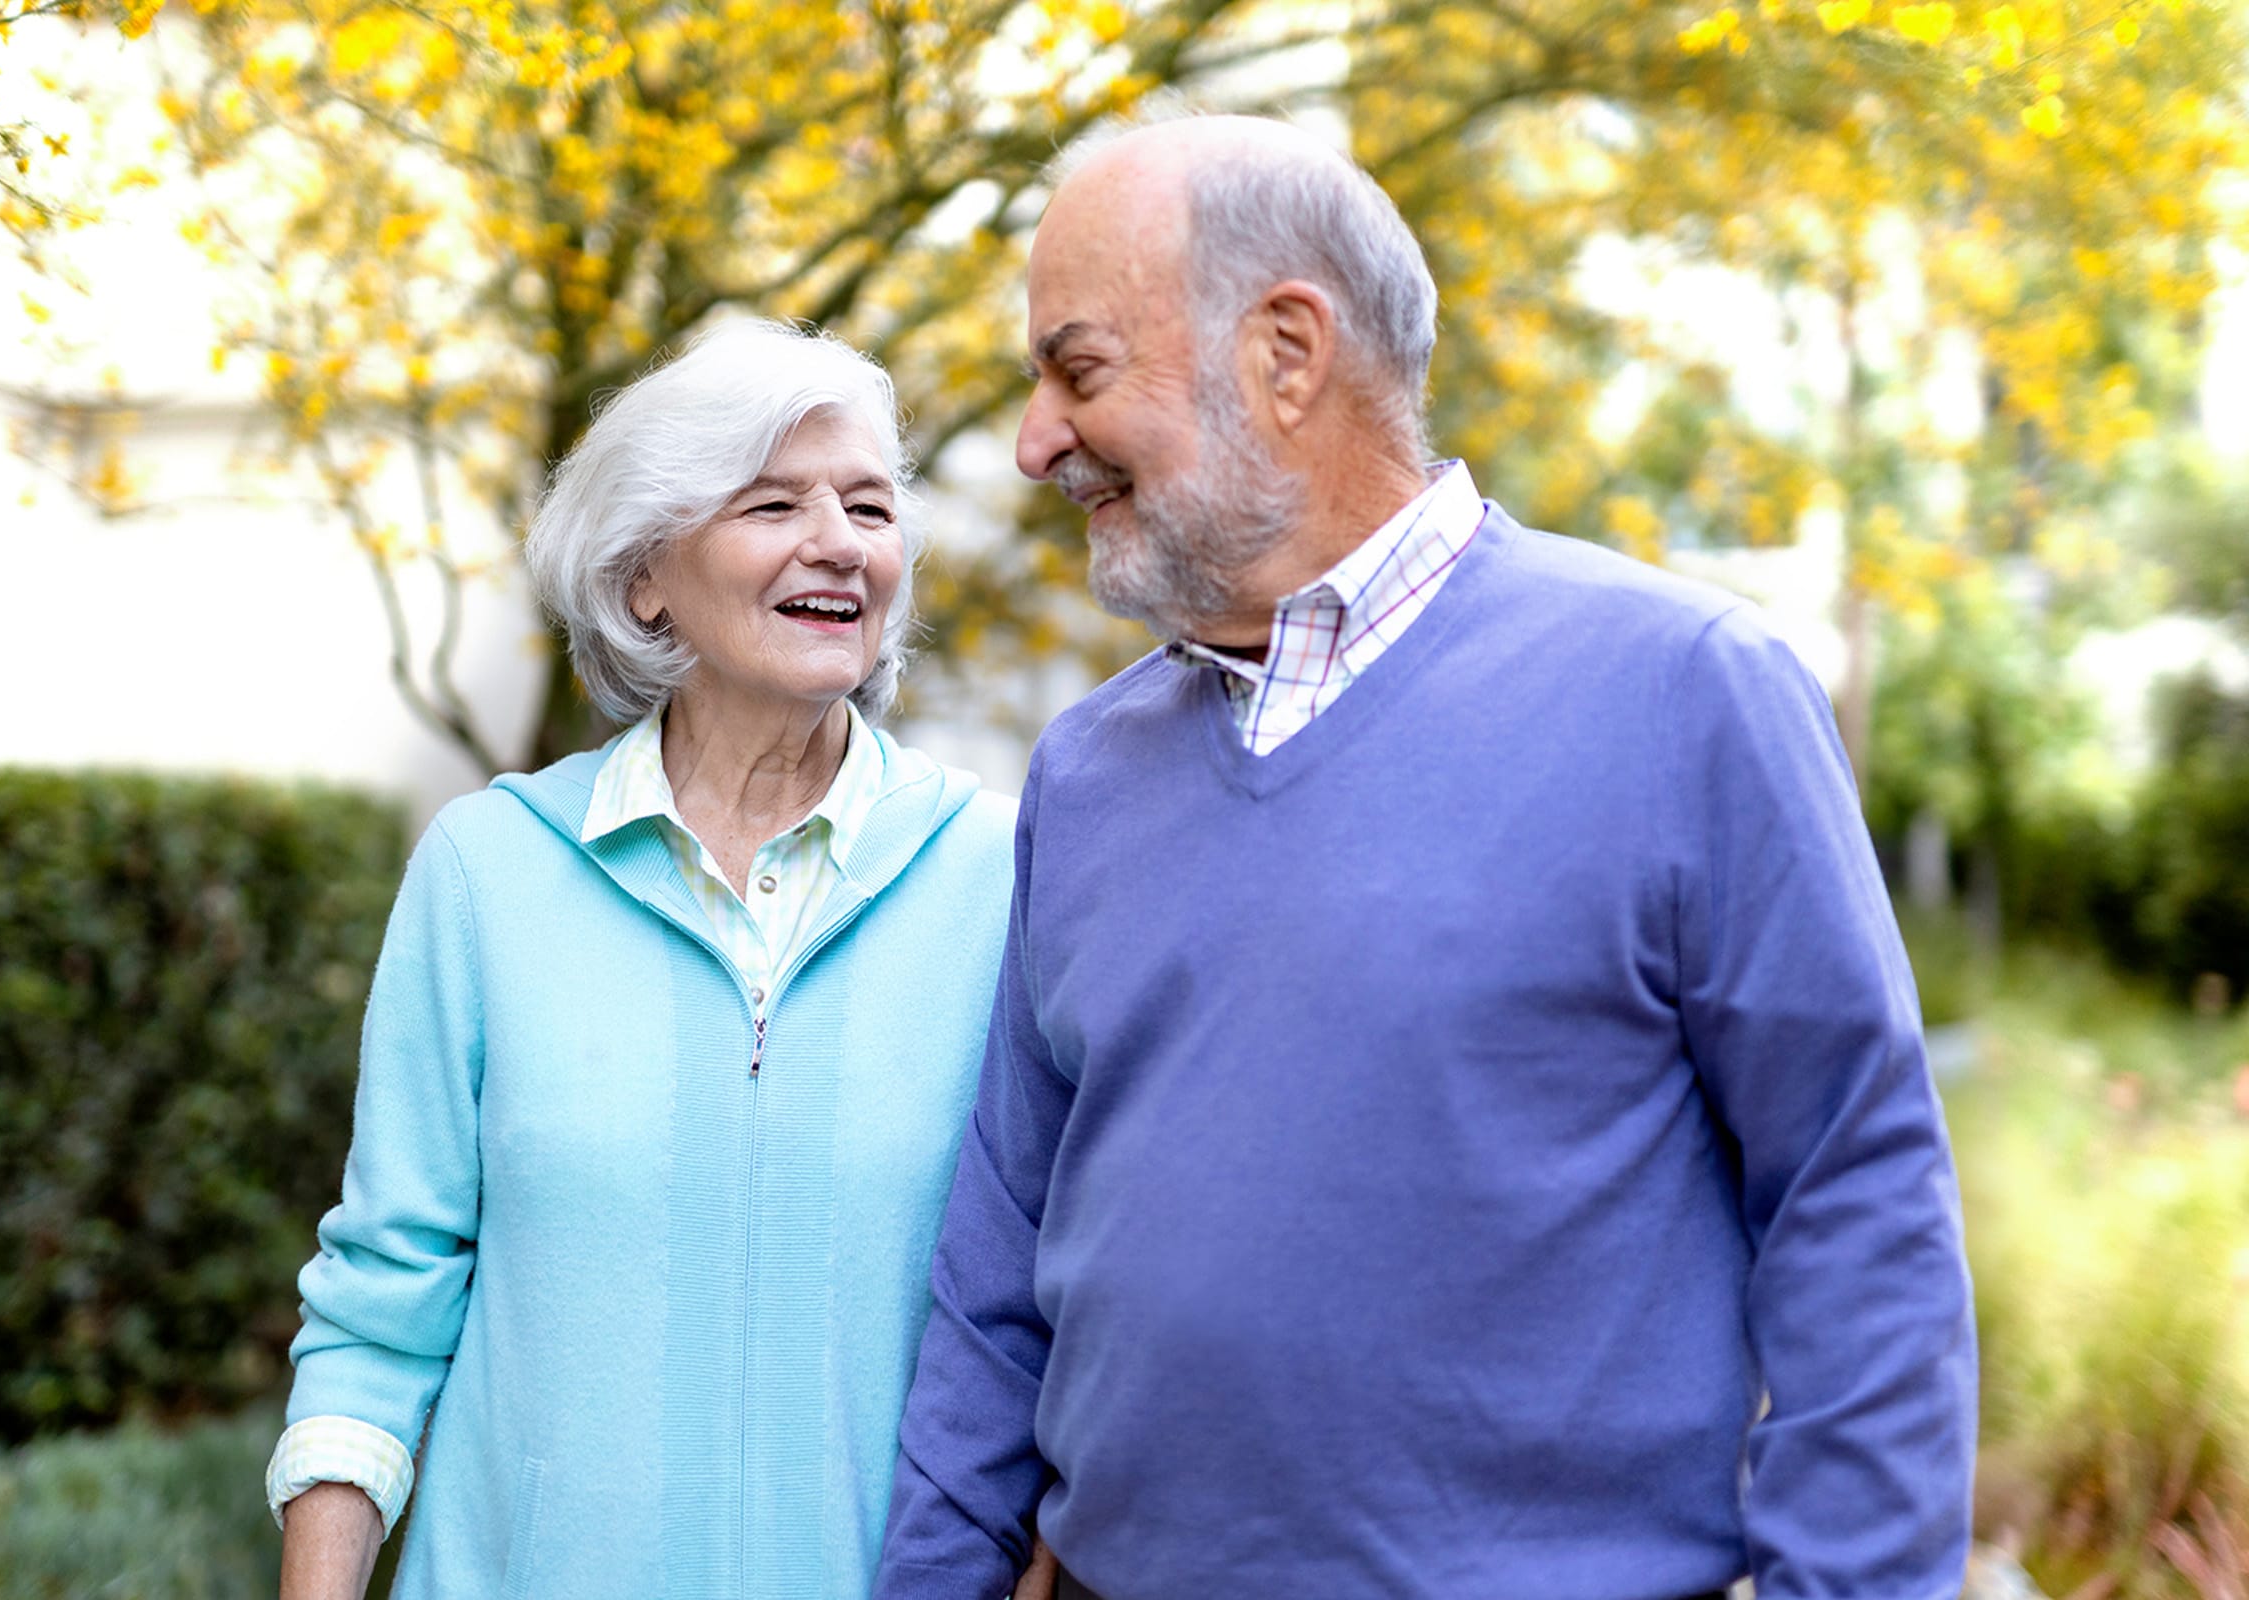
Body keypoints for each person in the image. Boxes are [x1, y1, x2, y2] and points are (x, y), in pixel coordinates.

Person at [875, 115, 1977, 1600]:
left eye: (1079, 371)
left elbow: (1859, 1206)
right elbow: (994, 1274)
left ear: (1285, 351)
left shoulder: (1687, 691)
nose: (1033, 441)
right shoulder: (1084, 772)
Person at [263, 318, 1033, 1600]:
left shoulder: (1002, 878)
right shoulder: (487, 872)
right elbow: (377, 1305)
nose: (840, 542)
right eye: (774, 501)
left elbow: (1063, 1322)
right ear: (644, 578)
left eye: (869, 506)